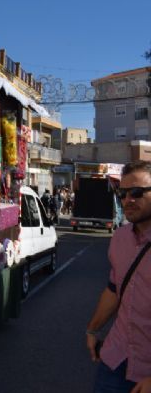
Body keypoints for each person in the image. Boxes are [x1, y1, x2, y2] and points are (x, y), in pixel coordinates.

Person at [86, 160, 151, 393]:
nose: (127, 200)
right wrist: (93, 329)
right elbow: (114, 289)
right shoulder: (120, 238)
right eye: (122, 193)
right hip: (116, 358)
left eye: (136, 192)